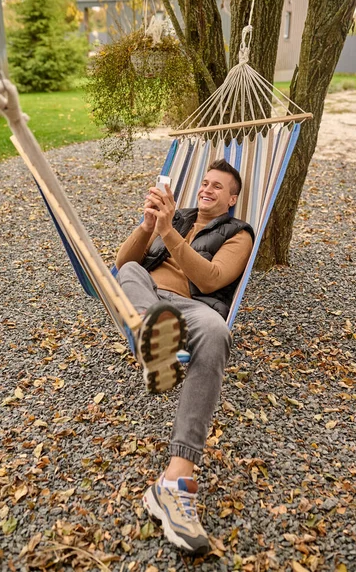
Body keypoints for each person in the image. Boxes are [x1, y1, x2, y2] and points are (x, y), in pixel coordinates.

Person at [116, 159, 254, 554]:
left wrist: (169, 235)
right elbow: (123, 261)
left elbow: (211, 278)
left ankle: (176, 480)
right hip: (145, 294)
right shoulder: (176, 217)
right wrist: (148, 225)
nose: (207, 189)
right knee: (129, 273)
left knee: (216, 331)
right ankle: (155, 340)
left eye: (218, 187)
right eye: (205, 183)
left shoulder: (239, 234)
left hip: (190, 308)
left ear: (232, 198)